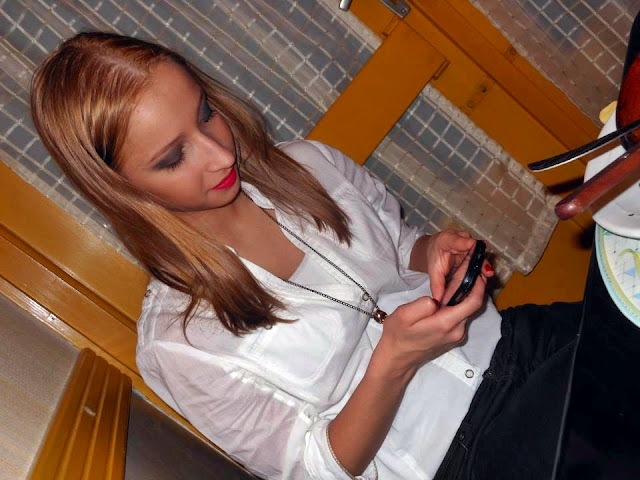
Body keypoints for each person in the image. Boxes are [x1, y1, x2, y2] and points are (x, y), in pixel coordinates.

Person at [30, 32, 580, 480]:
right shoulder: (180, 344)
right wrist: (393, 362)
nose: (221, 154)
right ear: (121, 190)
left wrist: (433, 251)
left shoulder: (309, 163)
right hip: (454, 460)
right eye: (174, 157)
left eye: (206, 113)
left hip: (513, 344)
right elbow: (316, 469)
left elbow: (398, 246)